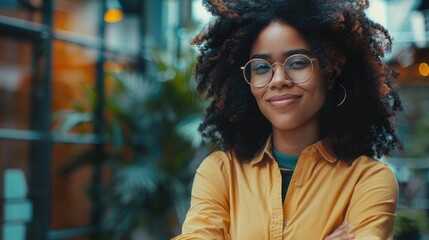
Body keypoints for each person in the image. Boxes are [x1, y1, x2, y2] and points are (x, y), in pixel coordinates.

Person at [173, 0, 402, 239]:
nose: (278, 79)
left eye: (297, 63)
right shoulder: (220, 174)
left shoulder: (367, 181)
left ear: (330, 71)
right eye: (261, 67)